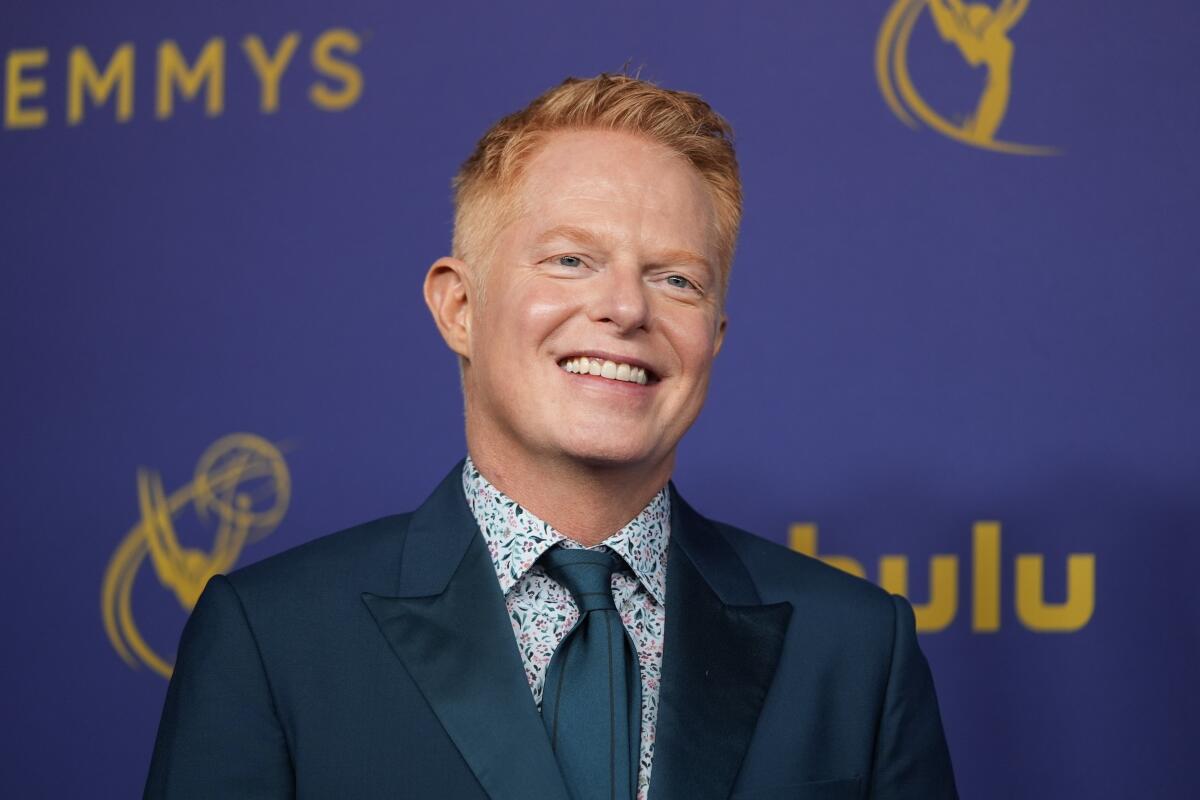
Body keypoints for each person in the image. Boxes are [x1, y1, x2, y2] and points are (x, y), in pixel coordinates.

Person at [145, 73, 958, 800]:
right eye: (572, 260)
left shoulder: (853, 648)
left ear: (714, 335)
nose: (627, 310)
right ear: (459, 308)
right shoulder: (274, 637)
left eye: (676, 278)